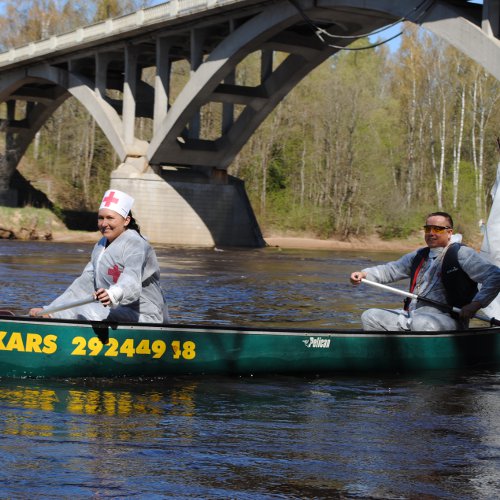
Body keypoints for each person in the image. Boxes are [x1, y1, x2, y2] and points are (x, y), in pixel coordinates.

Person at [29, 189, 166, 323]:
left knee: (88, 311)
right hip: (115, 311)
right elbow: (82, 285)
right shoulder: (100, 246)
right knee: (74, 310)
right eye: (101, 218)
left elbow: (131, 280)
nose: (104, 224)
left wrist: (113, 294)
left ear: (126, 220)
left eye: (110, 218)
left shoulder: (137, 245)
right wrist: (51, 311)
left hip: (146, 316)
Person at [350, 211, 500, 331]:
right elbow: (391, 270)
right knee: (370, 316)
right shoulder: (419, 255)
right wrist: (365, 274)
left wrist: (476, 304)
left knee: (421, 323)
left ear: (449, 232)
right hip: (412, 315)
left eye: (437, 229)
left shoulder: (462, 254)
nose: (431, 233)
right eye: (428, 228)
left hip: (448, 320)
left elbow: (495, 276)